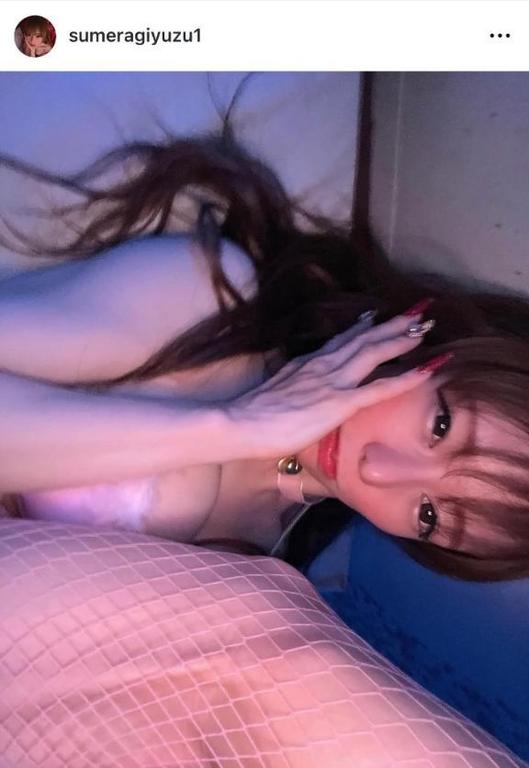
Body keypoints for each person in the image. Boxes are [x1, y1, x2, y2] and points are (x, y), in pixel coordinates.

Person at [0, 131, 528, 581]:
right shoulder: (211, 298)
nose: (377, 470)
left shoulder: (263, 572)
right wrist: (230, 428)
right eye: (440, 425)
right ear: (438, 346)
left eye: (429, 515)